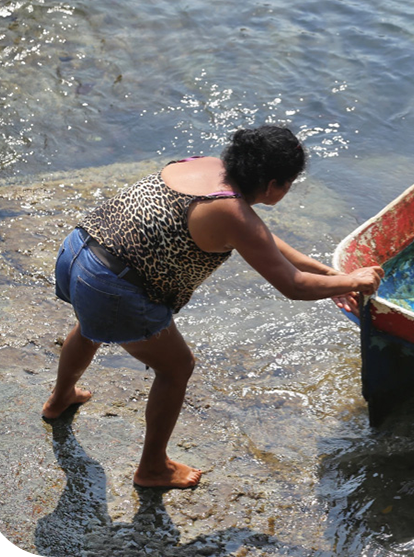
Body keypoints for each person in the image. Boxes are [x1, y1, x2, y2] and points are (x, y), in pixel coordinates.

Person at [42, 125, 384, 489]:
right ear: (272, 186)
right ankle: (153, 468)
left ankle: (60, 398)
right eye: (288, 183)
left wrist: (330, 275)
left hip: (78, 252)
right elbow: (293, 286)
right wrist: (356, 282)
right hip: (111, 286)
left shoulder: (206, 167)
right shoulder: (232, 213)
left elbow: (261, 239)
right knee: (177, 367)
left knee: (90, 326)